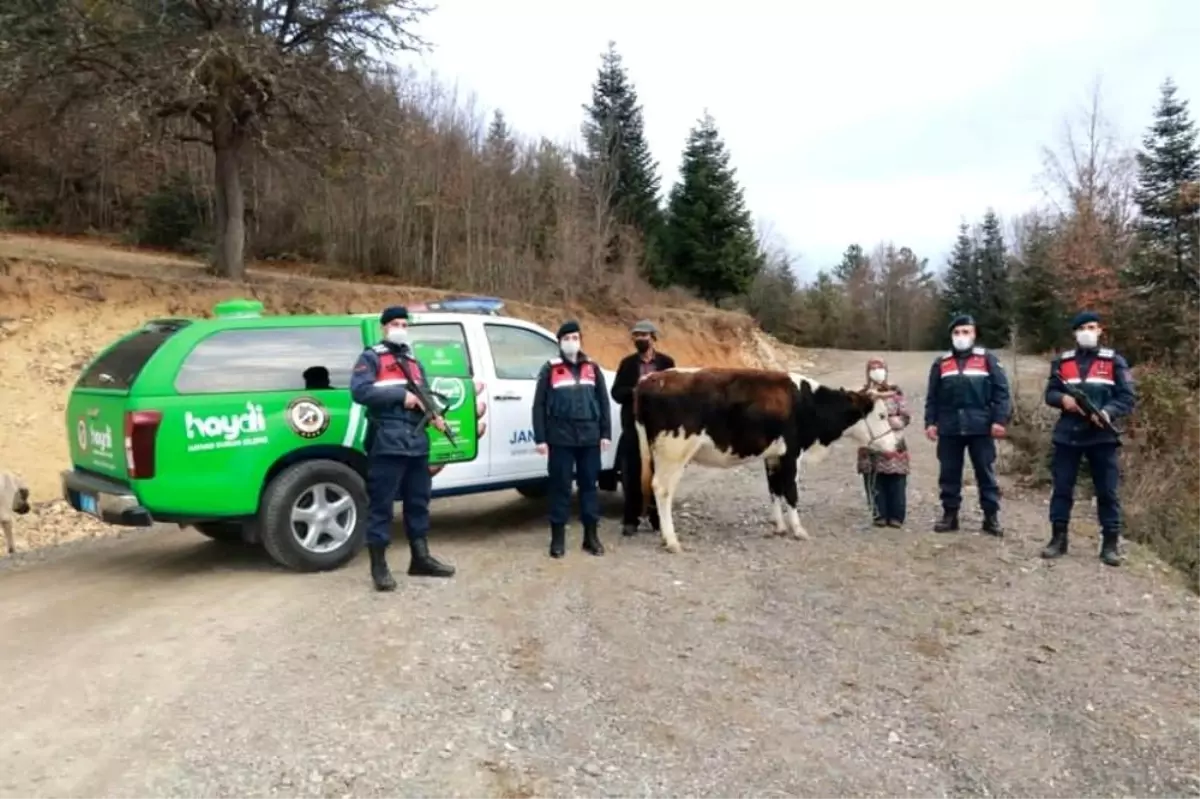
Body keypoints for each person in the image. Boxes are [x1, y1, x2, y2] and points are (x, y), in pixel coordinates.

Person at [350, 306, 456, 591]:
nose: (400, 328)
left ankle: (420, 558)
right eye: (395, 323)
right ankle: (379, 567)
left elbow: (423, 395)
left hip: (417, 441)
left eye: (404, 324)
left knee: (418, 502)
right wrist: (401, 396)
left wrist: (435, 415)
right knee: (382, 506)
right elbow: (359, 392)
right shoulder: (371, 357)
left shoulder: (412, 361)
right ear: (384, 327)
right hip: (387, 441)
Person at [1041, 311, 1137, 566]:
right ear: (1075, 332)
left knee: (1107, 491)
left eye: (1092, 327)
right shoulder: (1063, 361)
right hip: (1068, 435)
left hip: (1101, 436)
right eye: (1082, 327)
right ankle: (1058, 539)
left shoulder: (1114, 361)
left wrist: (1107, 412)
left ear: (1100, 330)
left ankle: (1110, 544)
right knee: (1062, 489)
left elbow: (1127, 397)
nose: (1087, 331)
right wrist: (1064, 400)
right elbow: (1050, 392)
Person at [924, 313, 1011, 536]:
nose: (961, 336)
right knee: (949, 473)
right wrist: (930, 422)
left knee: (985, 472)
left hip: (980, 426)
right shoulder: (942, 363)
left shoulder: (987, 359)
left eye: (966, 332)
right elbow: (932, 396)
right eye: (957, 332)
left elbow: (1002, 393)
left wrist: (999, 420)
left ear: (974, 334)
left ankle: (991, 517)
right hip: (950, 426)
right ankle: (950, 515)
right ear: (951, 335)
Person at [531, 320, 612, 558]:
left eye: (575, 338)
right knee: (560, 488)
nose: (571, 342)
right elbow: (539, 405)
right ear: (560, 342)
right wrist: (540, 438)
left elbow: (603, 403)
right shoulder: (550, 368)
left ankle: (591, 537)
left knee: (589, 487)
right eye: (567, 338)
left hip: (589, 437)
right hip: (560, 438)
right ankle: (557, 540)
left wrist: (605, 433)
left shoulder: (592, 368)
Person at [610, 319, 675, 537]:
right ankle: (631, 519)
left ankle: (658, 518)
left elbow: (676, 394)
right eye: (636, 336)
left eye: (643, 335)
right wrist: (636, 390)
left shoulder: (666, 363)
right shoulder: (627, 364)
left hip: (660, 430)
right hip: (633, 427)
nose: (639, 339)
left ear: (653, 337)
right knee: (632, 474)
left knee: (661, 473)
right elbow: (616, 393)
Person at [856, 358, 912, 528]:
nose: (876, 371)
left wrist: (899, 421)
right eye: (872, 368)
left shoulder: (896, 392)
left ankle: (896, 515)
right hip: (871, 442)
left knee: (896, 480)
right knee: (873, 479)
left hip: (894, 440)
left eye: (880, 368)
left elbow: (906, 414)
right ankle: (878, 514)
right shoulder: (863, 393)